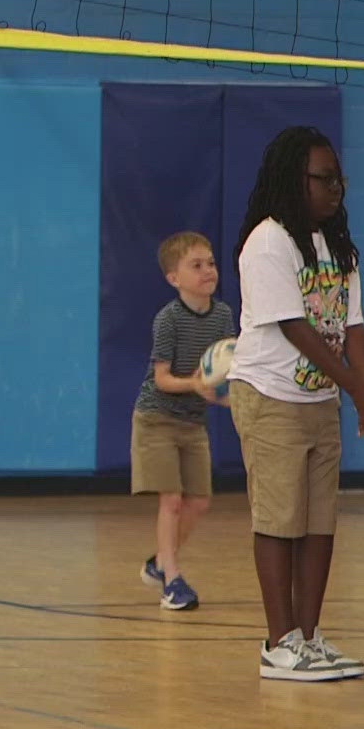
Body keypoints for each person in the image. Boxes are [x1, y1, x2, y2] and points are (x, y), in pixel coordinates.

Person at [230, 125, 364, 681]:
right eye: (323, 179)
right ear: (292, 179)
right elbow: (296, 328)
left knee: (319, 521)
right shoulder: (269, 241)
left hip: (321, 396)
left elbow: (353, 327)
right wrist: (356, 388)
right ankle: (278, 641)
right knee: (280, 519)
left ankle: (308, 635)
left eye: (339, 179)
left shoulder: (338, 247)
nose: (335, 189)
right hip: (271, 395)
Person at [131, 231, 234, 612]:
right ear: (174, 278)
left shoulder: (222, 315)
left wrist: (225, 393)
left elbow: (226, 366)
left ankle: (159, 562)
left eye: (210, 263)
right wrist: (196, 383)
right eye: (196, 265)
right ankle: (172, 581)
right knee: (171, 500)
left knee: (200, 502)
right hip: (156, 418)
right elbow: (162, 378)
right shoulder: (169, 319)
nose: (208, 270)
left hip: (193, 423)